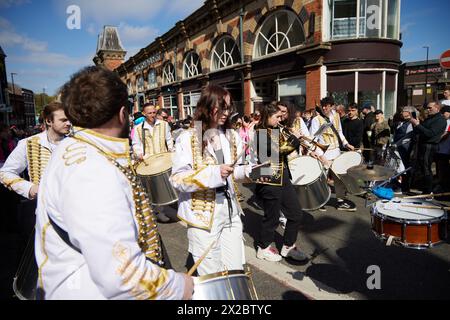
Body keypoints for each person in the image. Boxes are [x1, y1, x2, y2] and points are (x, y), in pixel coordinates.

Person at [34, 66, 193, 300]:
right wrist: (180, 287)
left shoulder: (74, 148)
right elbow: (123, 277)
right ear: (122, 114)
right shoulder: (92, 169)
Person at [170, 85, 250, 275]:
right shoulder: (188, 137)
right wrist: (215, 174)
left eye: (228, 107)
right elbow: (178, 179)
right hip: (203, 216)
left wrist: (249, 172)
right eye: (221, 107)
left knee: (235, 271)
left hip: (231, 210)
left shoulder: (231, 135)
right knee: (212, 276)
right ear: (206, 106)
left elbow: (232, 173)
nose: (226, 112)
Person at [249, 103, 308, 262]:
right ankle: (263, 247)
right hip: (269, 180)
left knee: (296, 213)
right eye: (276, 117)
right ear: (267, 116)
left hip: (283, 177)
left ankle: (288, 246)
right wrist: (294, 139)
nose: (279, 120)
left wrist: (293, 137)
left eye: (281, 117)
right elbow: (277, 153)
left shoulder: (275, 130)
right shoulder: (259, 133)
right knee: (272, 218)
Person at [310, 97, 356, 211]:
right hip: (324, 154)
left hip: (336, 153)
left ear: (332, 106)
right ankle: (320, 201)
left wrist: (346, 144)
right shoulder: (317, 119)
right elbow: (314, 139)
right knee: (322, 178)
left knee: (338, 178)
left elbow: (339, 132)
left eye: (327, 106)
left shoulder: (336, 116)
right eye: (323, 106)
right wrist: (321, 155)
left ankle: (340, 202)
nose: (324, 108)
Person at [132, 103, 175, 222]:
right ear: (144, 114)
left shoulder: (164, 125)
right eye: (149, 113)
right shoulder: (138, 128)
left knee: (164, 186)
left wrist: (172, 152)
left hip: (163, 158)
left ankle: (161, 209)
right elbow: (136, 144)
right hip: (148, 162)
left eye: (154, 113)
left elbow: (169, 140)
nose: (152, 115)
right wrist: (139, 153)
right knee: (152, 189)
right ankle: (156, 211)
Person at [410, 101, 447, 195]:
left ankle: (428, 191)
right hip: (423, 144)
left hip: (430, 145)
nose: (428, 109)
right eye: (427, 108)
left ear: (437, 108)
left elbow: (430, 133)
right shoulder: (430, 118)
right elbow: (421, 130)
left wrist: (418, 125)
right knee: (422, 167)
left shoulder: (440, 120)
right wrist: (416, 124)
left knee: (426, 168)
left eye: (430, 108)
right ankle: (425, 189)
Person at [392, 106, 416, 193]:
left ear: (409, 113)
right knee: (396, 167)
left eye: (403, 111)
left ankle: (405, 188)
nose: (401, 113)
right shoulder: (400, 123)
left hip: (405, 148)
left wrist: (397, 144)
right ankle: (397, 185)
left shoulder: (410, 123)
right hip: (397, 148)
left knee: (404, 168)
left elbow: (408, 137)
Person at [434, 105, 450, 192]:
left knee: (443, 166)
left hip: (445, 148)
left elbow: (445, 133)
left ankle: (443, 183)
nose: (443, 114)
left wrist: (436, 139)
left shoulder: (448, 122)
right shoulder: (444, 120)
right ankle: (441, 182)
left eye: (444, 113)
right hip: (442, 148)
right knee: (440, 165)